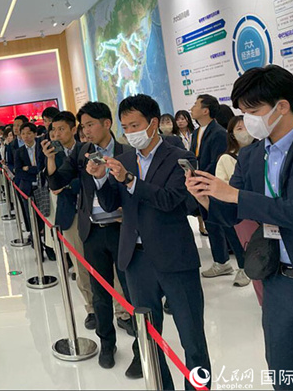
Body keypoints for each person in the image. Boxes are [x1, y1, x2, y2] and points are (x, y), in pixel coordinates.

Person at [186, 65, 293, 390]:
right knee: (283, 370)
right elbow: (232, 213)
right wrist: (206, 197)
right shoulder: (251, 155)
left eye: (253, 111)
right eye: (242, 112)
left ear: (282, 106)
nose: (247, 120)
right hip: (276, 280)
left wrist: (235, 195)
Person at [87, 94, 211, 389]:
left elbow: (171, 200)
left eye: (135, 125)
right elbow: (111, 203)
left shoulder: (180, 157)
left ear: (153, 123)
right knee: (149, 337)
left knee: (192, 338)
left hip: (175, 257)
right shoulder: (125, 159)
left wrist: (130, 180)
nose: (130, 132)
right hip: (136, 260)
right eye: (125, 127)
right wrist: (101, 178)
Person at [44, 102, 139, 377]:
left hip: (122, 231)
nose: (85, 131)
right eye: (83, 126)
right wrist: (51, 160)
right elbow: (57, 182)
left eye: (90, 125)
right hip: (93, 232)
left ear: (107, 124)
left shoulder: (127, 153)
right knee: (100, 293)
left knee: (131, 290)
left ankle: (140, 347)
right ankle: (107, 344)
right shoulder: (82, 152)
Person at [191, 94, 231, 277]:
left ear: (205, 110)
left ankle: (242, 266)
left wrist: (200, 175)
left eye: (196, 105)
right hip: (200, 185)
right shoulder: (196, 132)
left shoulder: (219, 133)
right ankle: (221, 262)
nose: (192, 108)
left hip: (213, 185)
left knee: (225, 224)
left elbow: (217, 162)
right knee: (211, 224)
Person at [214, 116, 253, 287]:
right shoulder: (226, 158)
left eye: (247, 127)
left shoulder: (262, 153)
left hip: (258, 208)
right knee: (239, 241)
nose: (245, 132)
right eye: (239, 128)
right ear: (231, 134)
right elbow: (220, 184)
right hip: (236, 208)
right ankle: (243, 268)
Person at [14, 122, 54, 260]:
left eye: (29, 133)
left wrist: (29, 169)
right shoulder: (19, 152)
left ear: (35, 134)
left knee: (46, 218)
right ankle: (38, 250)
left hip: (43, 187)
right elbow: (18, 172)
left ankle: (50, 248)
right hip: (27, 190)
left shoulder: (42, 148)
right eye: (23, 134)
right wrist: (33, 171)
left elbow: (43, 168)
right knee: (32, 220)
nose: (26, 136)